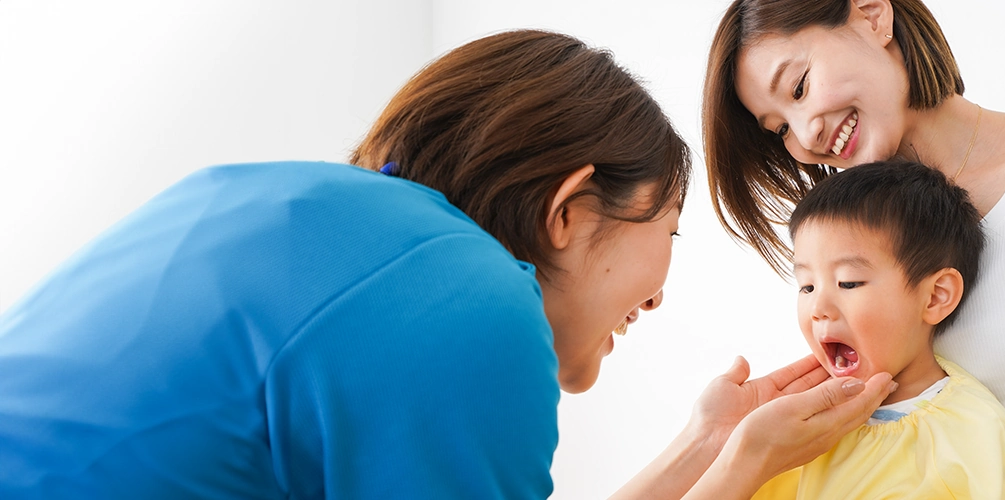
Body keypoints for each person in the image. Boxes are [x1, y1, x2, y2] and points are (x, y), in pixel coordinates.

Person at [0, 30, 896, 499]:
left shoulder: (288, 205)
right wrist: (741, 473)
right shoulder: (471, 302)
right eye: (669, 226)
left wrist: (708, 447)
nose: (661, 294)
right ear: (569, 208)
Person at [703, 1, 1005, 498]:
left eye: (799, 87)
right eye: (781, 129)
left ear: (873, 15)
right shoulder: (847, 244)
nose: (807, 134)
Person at [750, 161, 1005, 499]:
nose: (818, 309)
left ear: (935, 297)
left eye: (849, 282)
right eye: (807, 287)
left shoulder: (977, 432)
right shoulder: (792, 425)